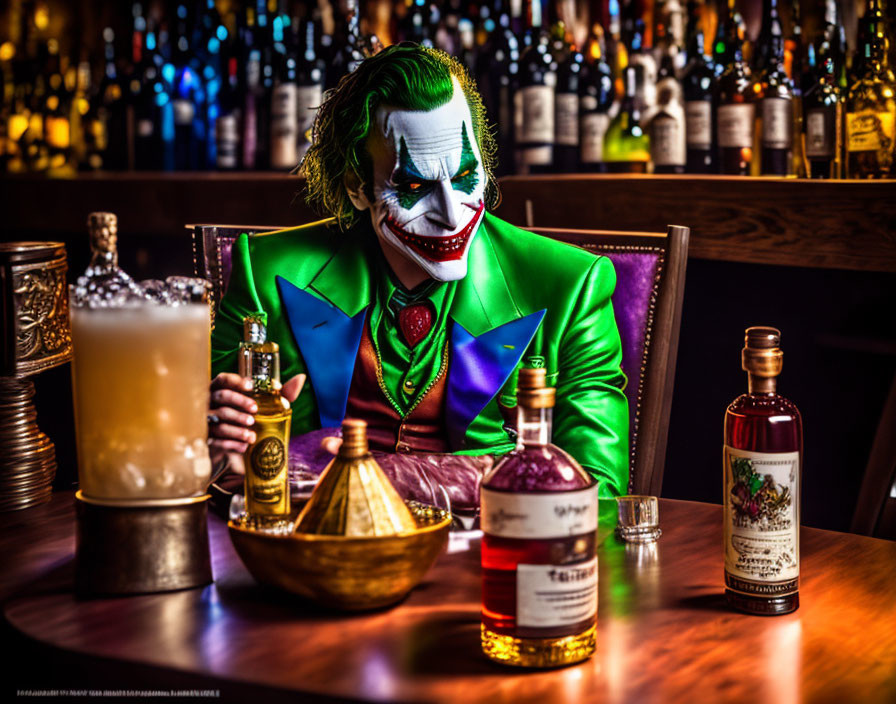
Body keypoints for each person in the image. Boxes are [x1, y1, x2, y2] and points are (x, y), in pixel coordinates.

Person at [208, 44, 629, 497]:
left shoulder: (571, 285)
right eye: (413, 185)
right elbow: (216, 470)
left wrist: (390, 476)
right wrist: (210, 447)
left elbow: (599, 492)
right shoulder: (265, 271)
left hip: (494, 556)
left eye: (467, 176)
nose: (451, 214)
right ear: (357, 188)